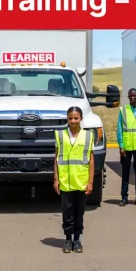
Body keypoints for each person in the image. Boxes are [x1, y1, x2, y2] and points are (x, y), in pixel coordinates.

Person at [54, 106, 95, 253]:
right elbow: (57, 158)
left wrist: (90, 181)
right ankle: (67, 239)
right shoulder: (60, 135)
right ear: (67, 119)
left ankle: (77, 240)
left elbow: (91, 159)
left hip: (81, 181)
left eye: (76, 118)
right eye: (70, 118)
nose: (73, 121)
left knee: (79, 213)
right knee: (67, 213)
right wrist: (56, 178)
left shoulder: (88, 136)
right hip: (65, 181)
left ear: (81, 119)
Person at [117, 88, 136, 207]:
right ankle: (124, 197)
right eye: (130, 96)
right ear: (128, 97)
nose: (132, 97)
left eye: (134, 95)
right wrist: (121, 145)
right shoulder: (123, 110)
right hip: (126, 146)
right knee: (125, 173)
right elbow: (119, 129)